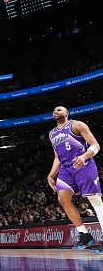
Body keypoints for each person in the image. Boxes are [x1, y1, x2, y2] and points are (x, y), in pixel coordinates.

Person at [47, 106, 102, 250]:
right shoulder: (52, 134)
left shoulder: (77, 125)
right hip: (66, 169)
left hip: (84, 165)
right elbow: (57, 157)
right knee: (63, 199)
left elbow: (95, 145)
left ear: (67, 113)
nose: (56, 111)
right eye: (54, 110)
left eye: (59, 109)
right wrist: (51, 174)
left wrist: (84, 156)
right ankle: (85, 236)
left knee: (95, 200)